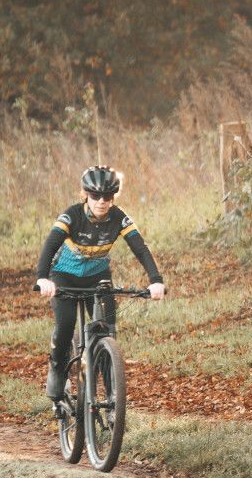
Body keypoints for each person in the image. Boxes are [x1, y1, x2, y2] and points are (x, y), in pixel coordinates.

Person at [34, 165, 165, 404]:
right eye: (95, 196)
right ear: (86, 194)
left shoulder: (119, 217)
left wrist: (156, 281)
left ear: (114, 197)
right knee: (66, 324)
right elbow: (50, 244)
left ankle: (112, 394)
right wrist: (42, 277)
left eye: (108, 196)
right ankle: (56, 368)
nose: (102, 201)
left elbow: (140, 248)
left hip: (99, 277)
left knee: (107, 328)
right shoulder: (72, 215)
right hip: (64, 275)